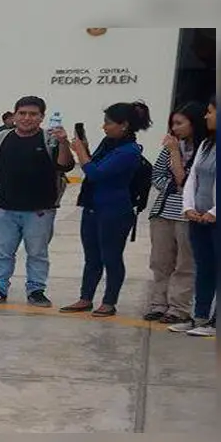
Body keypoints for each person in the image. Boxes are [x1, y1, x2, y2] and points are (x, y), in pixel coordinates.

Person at [0, 96, 74, 307]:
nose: (27, 118)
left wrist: (65, 142)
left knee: (37, 253)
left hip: (40, 210)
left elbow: (65, 166)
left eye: (33, 114)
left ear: (41, 118)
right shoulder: (2, 137)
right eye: (22, 113)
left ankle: (36, 291)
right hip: (5, 207)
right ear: (14, 115)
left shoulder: (50, 140)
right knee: (2, 252)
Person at [60, 101, 152, 317]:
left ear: (124, 125)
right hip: (93, 206)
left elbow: (96, 173)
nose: (104, 127)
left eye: (109, 123)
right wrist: (85, 149)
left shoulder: (129, 151)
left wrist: (81, 151)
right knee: (92, 257)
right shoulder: (109, 143)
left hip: (115, 210)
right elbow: (95, 164)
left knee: (111, 256)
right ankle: (86, 297)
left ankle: (109, 301)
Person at [144, 102, 208, 324]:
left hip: (188, 214)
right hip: (163, 211)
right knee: (161, 261)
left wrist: (174, 156)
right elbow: (158, 176)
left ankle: (178, 307)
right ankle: (158, 303)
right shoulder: (172, 146)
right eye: (173, 123)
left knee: (185, 263)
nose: (175, 128)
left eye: (180, 123)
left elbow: (186, 180)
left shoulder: (205, 148)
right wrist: (175, 183)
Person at [168, 98, 217, 336]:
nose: (206, 117)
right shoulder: (207, 144)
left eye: (210, 112)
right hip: (198, 218)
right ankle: (199, 316)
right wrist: (188, 207)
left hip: (220, 219)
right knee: (204, 268)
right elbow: (192, 181)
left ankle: (217, 321)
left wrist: (215, 211)